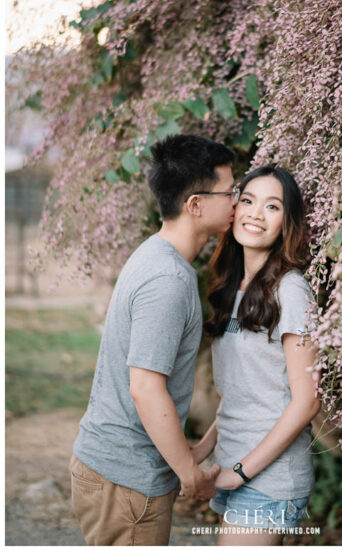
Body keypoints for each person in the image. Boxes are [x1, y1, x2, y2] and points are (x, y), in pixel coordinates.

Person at [70, 134, 236, 545]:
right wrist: (189, 475)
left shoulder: (157, 256)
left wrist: (191, 451)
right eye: (229, 191)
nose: (237, 201)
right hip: (125, 481)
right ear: (195, 204)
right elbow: (145, 387)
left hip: (120, 473)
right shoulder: (167, 279)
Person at [188, 165, 320, 545]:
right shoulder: (233, 288)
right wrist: (204, 449)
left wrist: (240, 473)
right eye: (247, 200)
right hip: (234, 464)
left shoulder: (291, 291)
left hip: (269, 478)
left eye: (272, 206)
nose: (256, 214)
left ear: (287, 222)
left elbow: (307, 400)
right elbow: (245, 392)